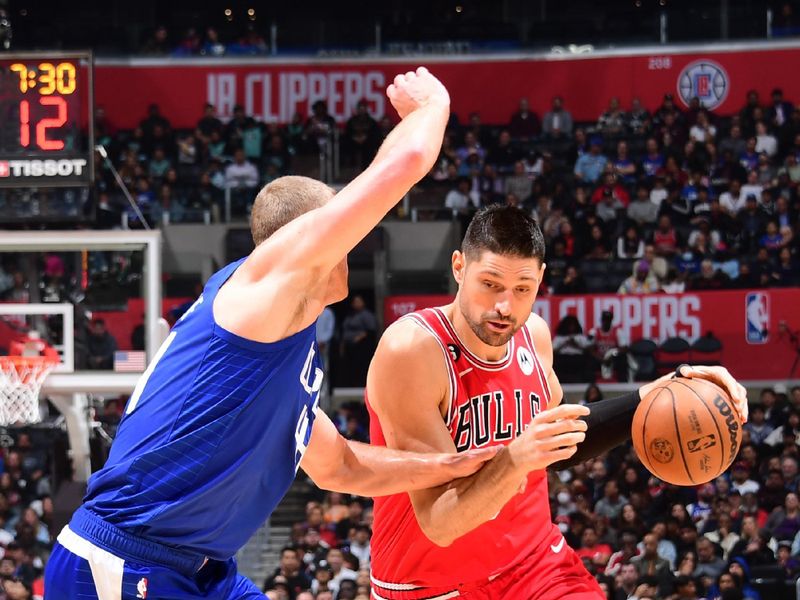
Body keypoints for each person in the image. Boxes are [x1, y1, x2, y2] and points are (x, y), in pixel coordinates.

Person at [44, 67, 498, 599]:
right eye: (339, 233)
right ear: (307, 240)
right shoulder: (262, 289)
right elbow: (407, 162)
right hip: (123, 563)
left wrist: (447, 465)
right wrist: (433, 105)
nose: (350, 245)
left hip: (200, 569)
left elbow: (341, 466)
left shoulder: (281, 340)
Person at [365, 204, 747, 600]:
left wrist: (657, 393)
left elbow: (557, 447)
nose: (504, 307)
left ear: (541, 279)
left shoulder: (534, 334)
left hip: (533, 564)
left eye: (522, 289)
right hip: (430, 583)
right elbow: (440, 522)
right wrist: (516, 459)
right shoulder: (412, 351)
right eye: (490, 284)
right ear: (459, 267)